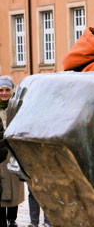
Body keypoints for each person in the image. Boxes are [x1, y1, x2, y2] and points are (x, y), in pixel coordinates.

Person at [0, 76, 24, 227]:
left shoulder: (17, 107)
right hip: (0, 153)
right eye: (1, 90)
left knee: (15, 188)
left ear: (12, 91)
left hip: (14, 153)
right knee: (1, 189)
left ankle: (12, 219)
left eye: (7, 90)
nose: (4, 93)